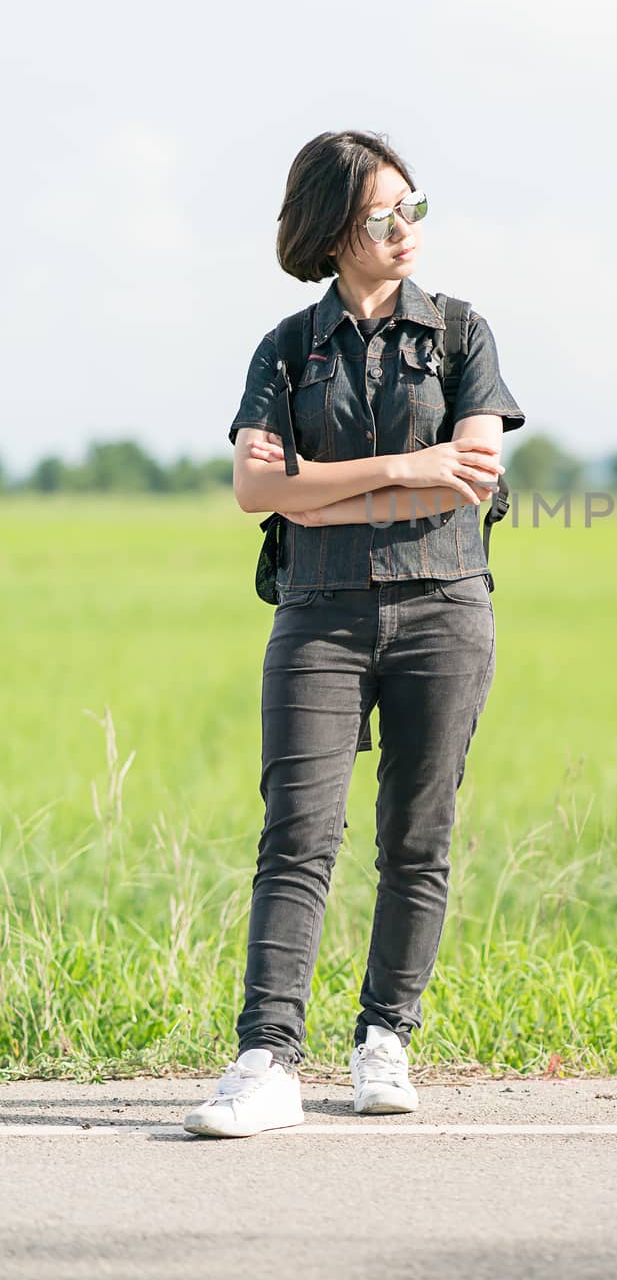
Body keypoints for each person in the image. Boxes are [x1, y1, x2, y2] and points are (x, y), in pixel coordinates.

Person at [183, 130, 525, 1138]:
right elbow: (254, 490)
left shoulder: (460, 334)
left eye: (413, 207)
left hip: (444, 609)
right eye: (383, 214)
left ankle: (386, 1037)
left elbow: (473, 470)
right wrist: (404, 473)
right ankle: (266, 1060)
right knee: (297, 834)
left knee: (417, 837)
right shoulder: (288, 348)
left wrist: (318, 491)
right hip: (317, 618)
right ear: (337, 228)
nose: (405, 228)